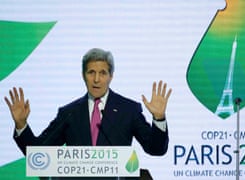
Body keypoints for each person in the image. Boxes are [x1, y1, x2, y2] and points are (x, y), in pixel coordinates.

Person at [4, 48, 172, 180]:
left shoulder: (128, 110)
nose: (97, 79)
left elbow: (155, 149)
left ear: (111, 77)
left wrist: (159, 118)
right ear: (83, 75)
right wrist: (21, 125)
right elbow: (38, 153)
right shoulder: (69, 113)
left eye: (103, 73)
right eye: (91, 72)